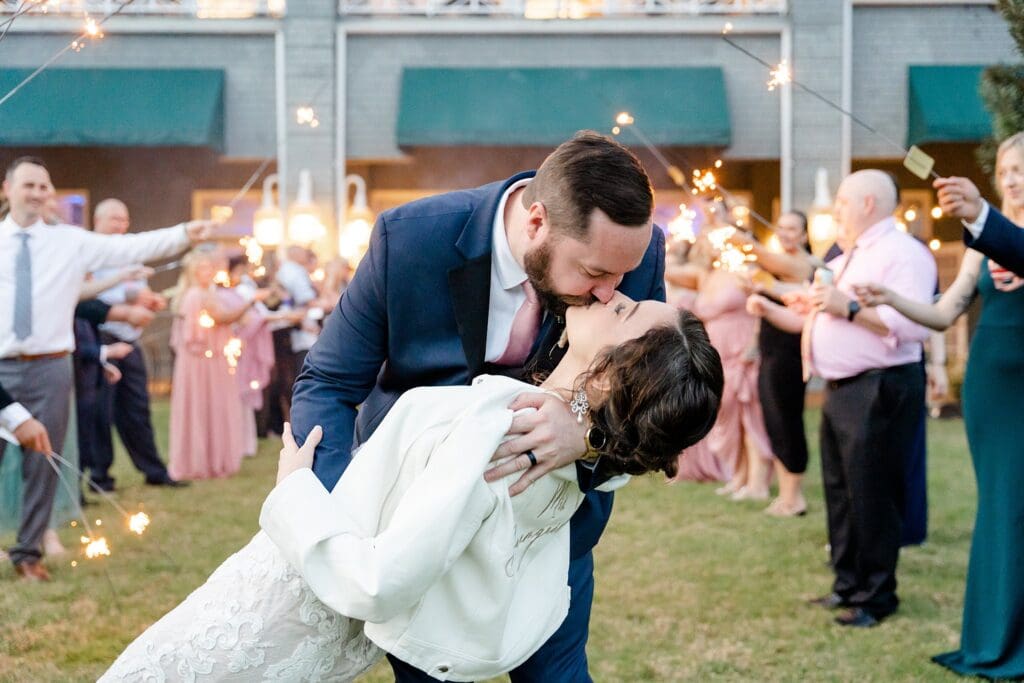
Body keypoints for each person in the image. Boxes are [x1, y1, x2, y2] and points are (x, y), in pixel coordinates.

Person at [102, 297, 724, 682]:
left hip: (279, 602)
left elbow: (378, 580)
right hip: (325, 640)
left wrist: (295, 489)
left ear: (615, 374)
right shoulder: (571, 463)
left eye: (623, 311)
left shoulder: (500, 426)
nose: (611, 293)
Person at [291, 131, 664, 681]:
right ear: (536, 222)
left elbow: (652, 390)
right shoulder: (411, 239)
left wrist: (589, 437)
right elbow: (327, 381)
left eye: (622, 277)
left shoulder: (634, 252)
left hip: (548, 534)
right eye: (593, 273)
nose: (612, 292)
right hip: (420, 528)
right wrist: (339, 518)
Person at [855, 134, 1024, 677]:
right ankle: (997, 637)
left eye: (1023, 169)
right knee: (1003, 507)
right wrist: (892, 299)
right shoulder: (982, 243)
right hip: (992, 393)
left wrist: (980, 215)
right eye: (1006, 169)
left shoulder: (991, 231)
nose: (1013, 178)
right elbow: (945, 312)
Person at [0, 156, 213, 581]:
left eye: (45, 186)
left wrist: (183, 234)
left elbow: (129, 247)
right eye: (30, 185)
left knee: (46, 460)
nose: (39, 193)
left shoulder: (69, 242)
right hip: (1, 368)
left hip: (51, 367)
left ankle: (29, 551)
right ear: (7, 189)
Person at [788, 169, 935, 628]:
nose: (836, 211)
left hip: (881, 386)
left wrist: (846, 308)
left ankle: (876, 596)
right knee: (841, 490)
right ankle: (847, 584)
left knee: (873, 491)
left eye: (843, 203)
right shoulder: (852, 254)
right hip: (842, 388)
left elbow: (914, 325)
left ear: (868, 204)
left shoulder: (903, 253)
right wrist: (816, 307)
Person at [89, 198, 187, 488]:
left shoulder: (131, 254)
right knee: (101, 410)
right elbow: (89, 298)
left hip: (131, 339)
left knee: (138, 407)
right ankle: (100, 476)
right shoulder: (91, 253)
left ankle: (154, 471)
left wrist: (150, 300)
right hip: (102, 337)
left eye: (124, 219)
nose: (121, 225)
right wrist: (129, 301)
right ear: (98, 221)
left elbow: (138, 290)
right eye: (114, 219)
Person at [167, 250, 263, 480]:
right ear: (192, 272)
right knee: (202, 405)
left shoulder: (205, 294)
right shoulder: (195, 296)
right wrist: (251, 301)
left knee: (214, 405)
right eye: (201, 268)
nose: (207, 272)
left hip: (213, 357)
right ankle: (200, 460)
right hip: (202, 361)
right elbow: (222, 317)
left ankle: (214, 457)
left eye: (209, 267)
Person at [744, 211, 813, 516]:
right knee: (773, 420)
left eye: (792, 229)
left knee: (787, 420)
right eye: (781, 227)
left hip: (791, 353)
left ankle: (794, 497)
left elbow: (785, 286)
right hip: (770, 350)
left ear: (804, 235)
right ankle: (785, 495)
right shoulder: (770, 268)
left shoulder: (806, 264)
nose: (785, 233)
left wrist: (743, 243)